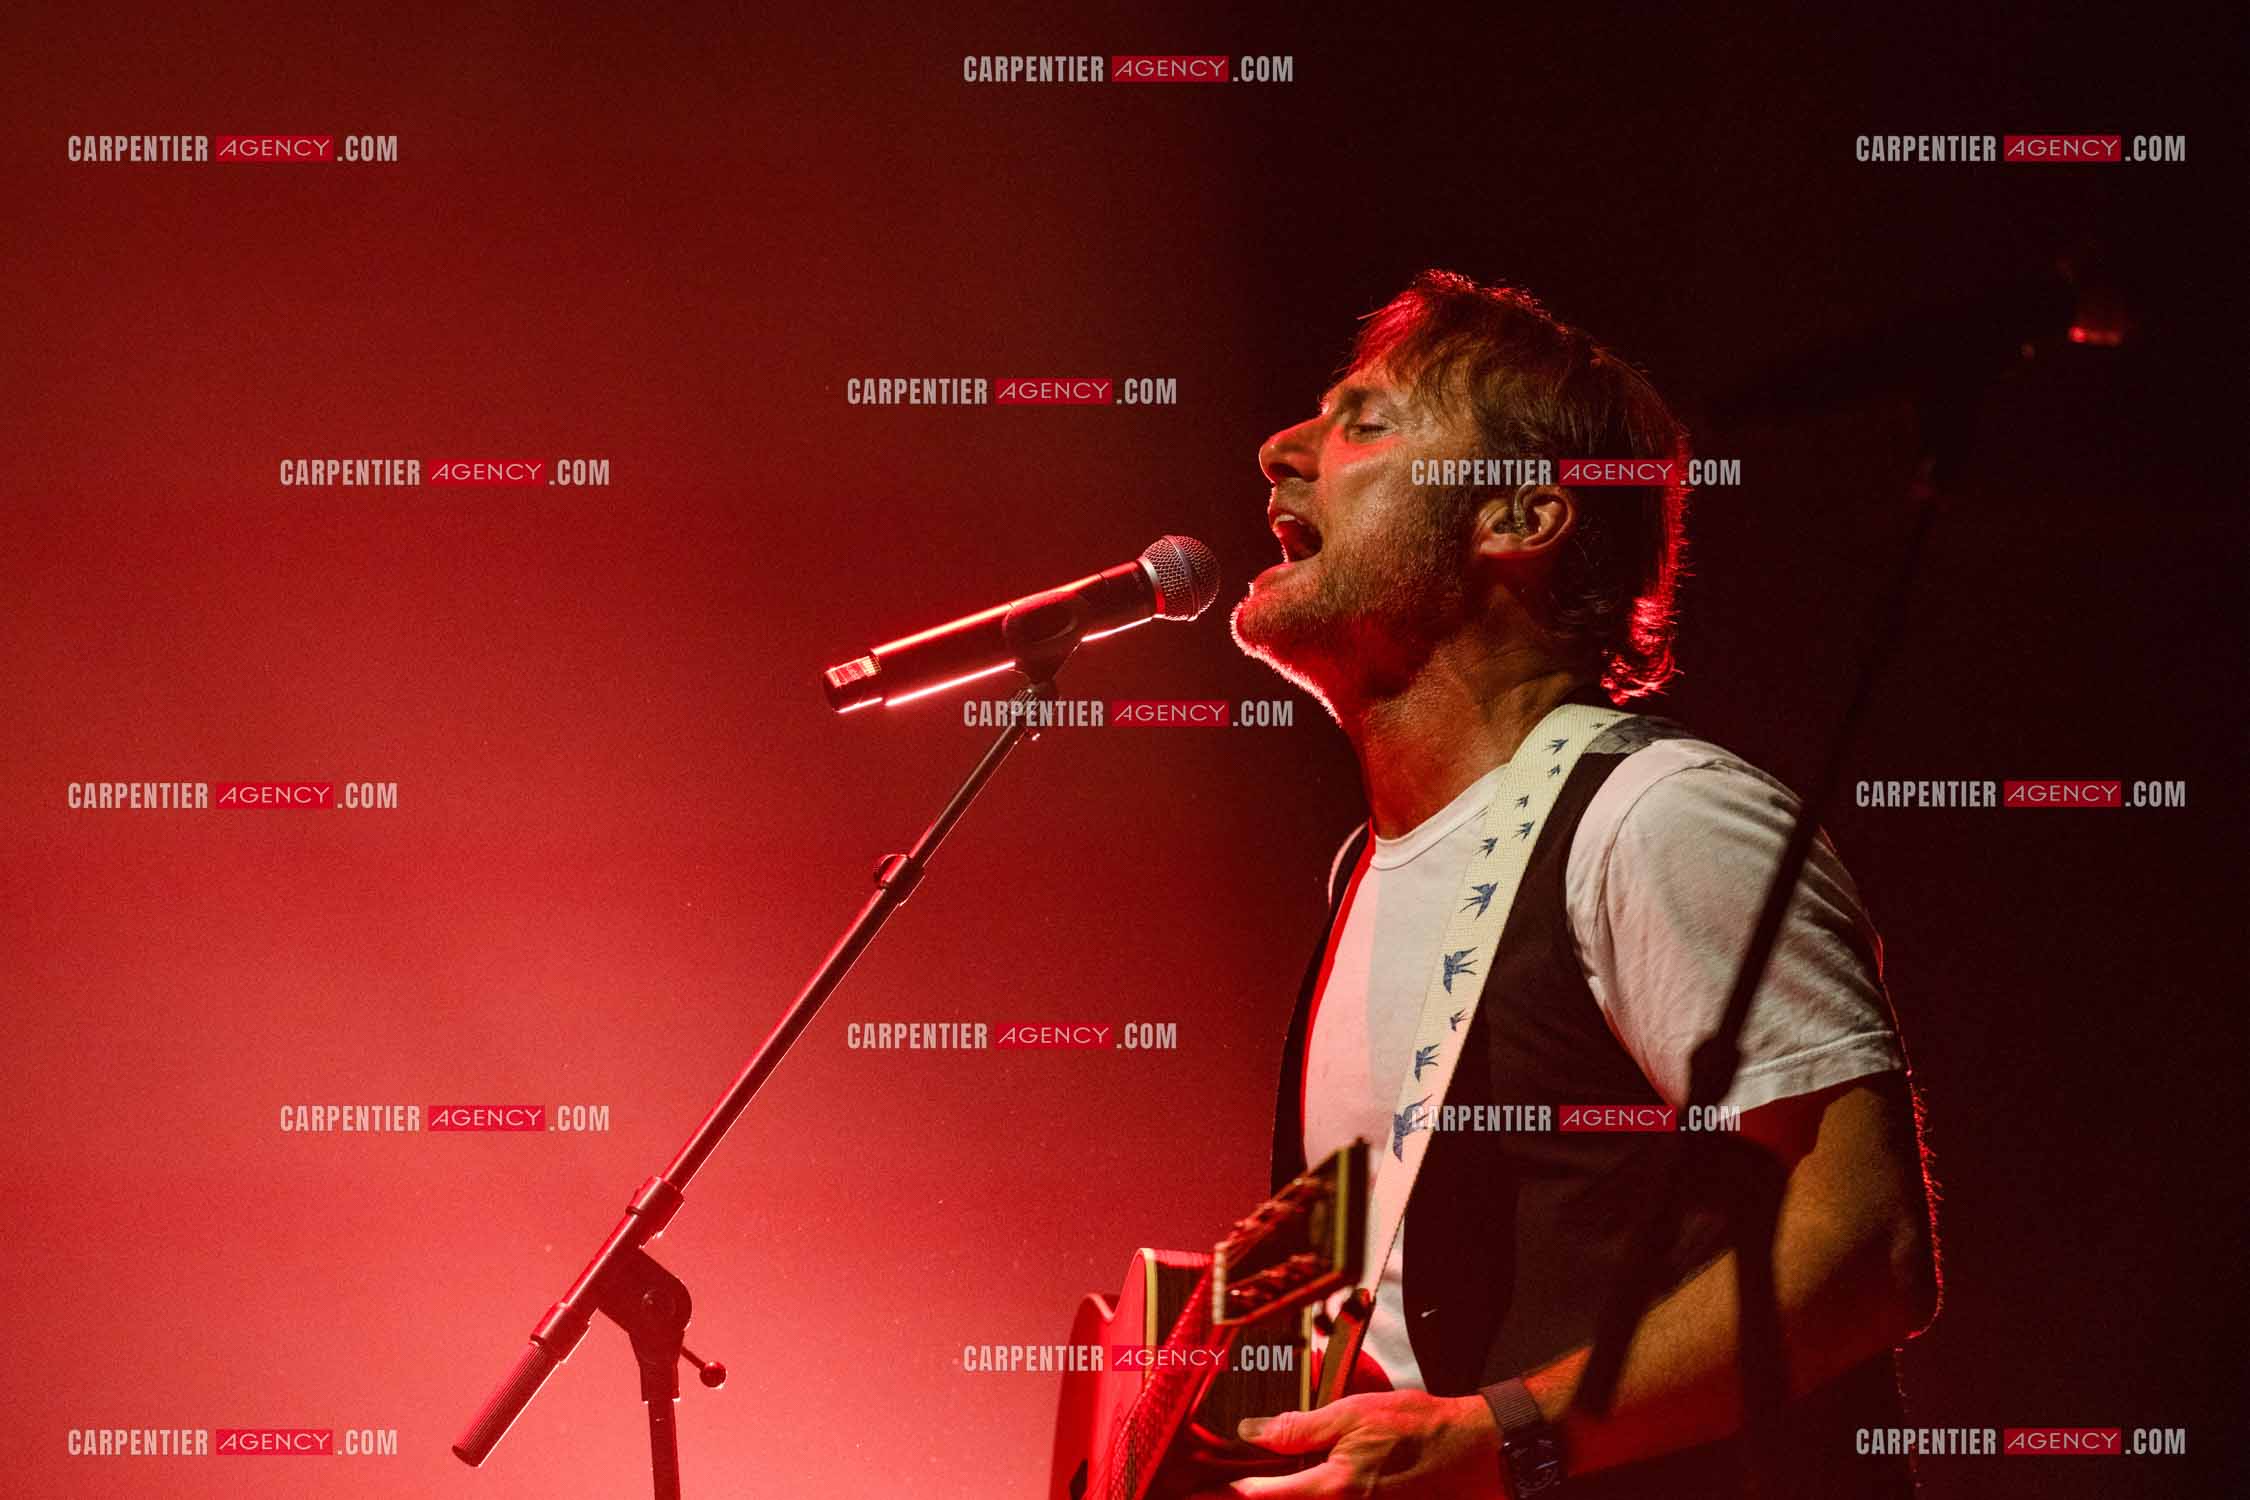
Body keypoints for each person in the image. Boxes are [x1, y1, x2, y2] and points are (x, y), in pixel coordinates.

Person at [1197, 271, 1939, 1498]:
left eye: (1364, 423)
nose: (1279, 450)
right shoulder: (1362, 869)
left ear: (1522, 520)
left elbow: (1866, 1252)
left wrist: (1505, 1436)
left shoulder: (1659, 817)